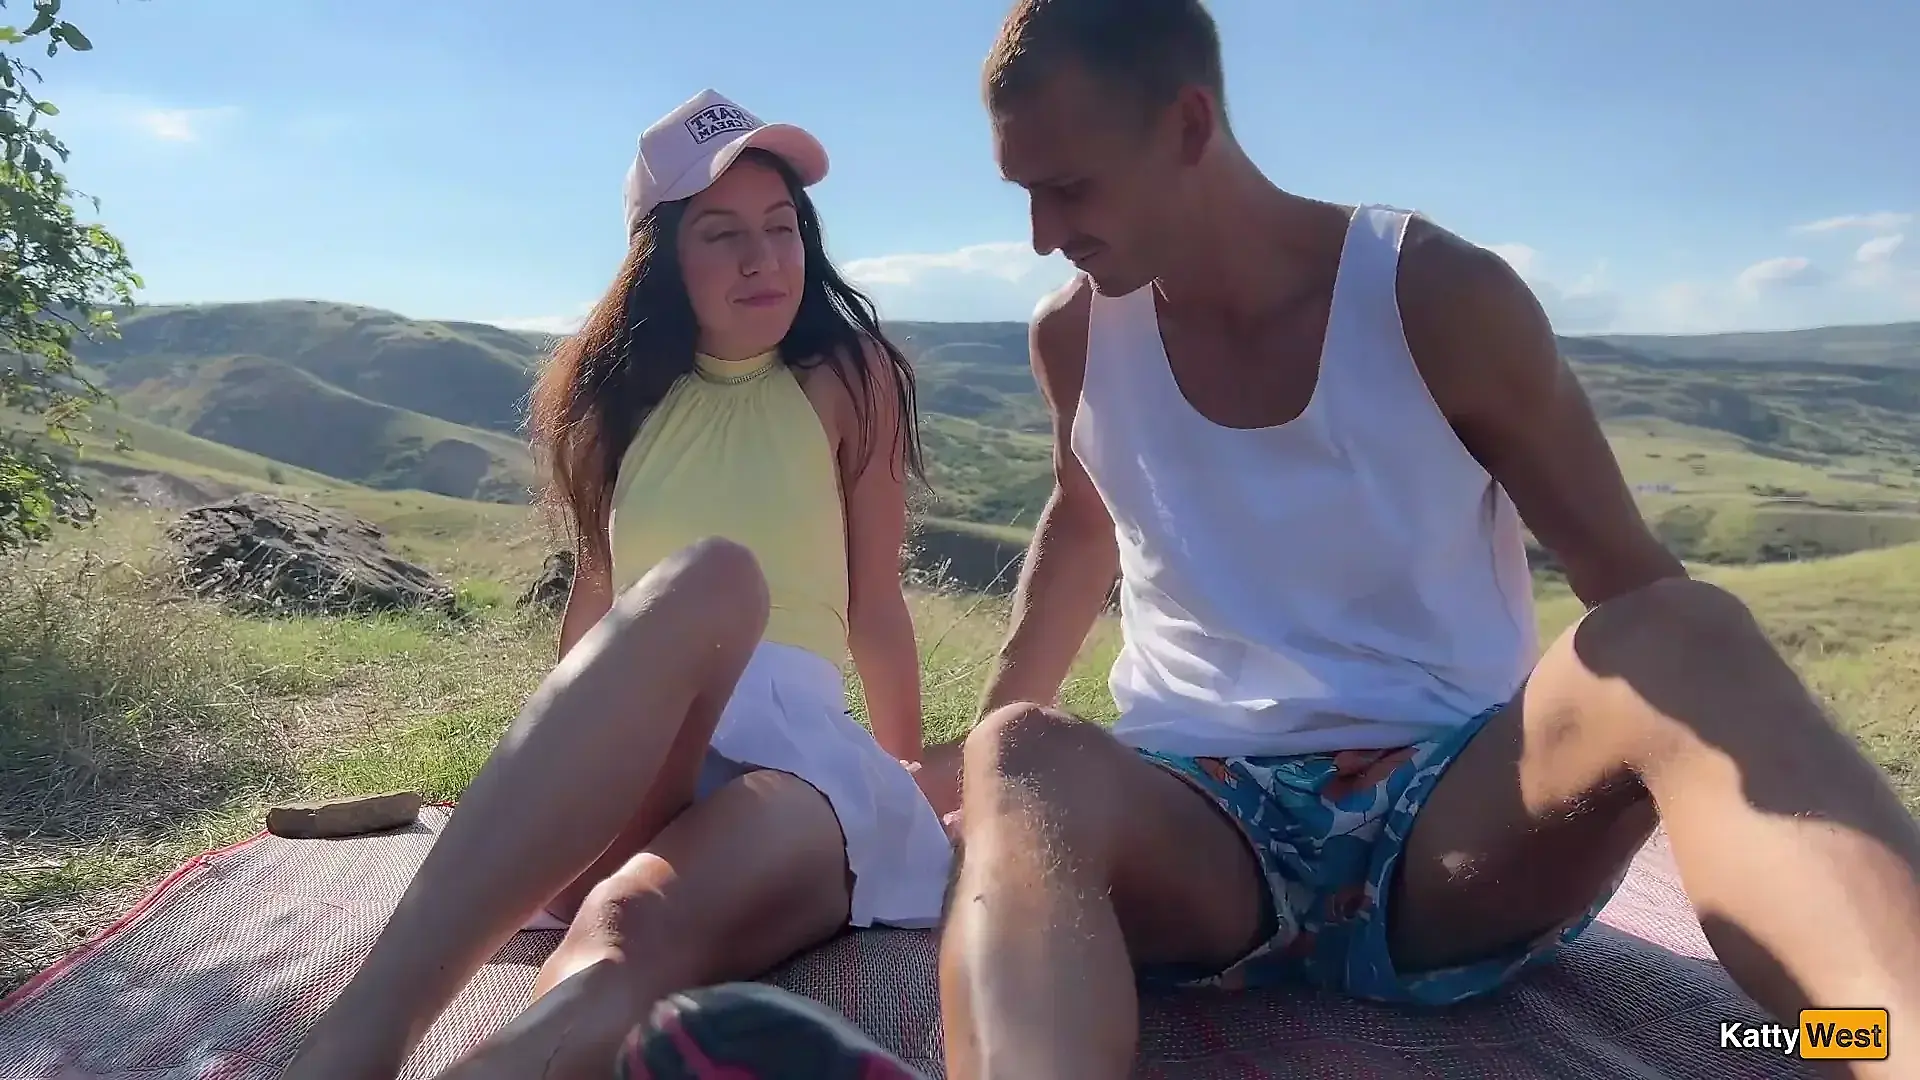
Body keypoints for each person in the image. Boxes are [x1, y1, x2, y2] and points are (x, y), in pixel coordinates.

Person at [608, 2, 1920, 1078]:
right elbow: (1084, 524)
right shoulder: (1078, 335)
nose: (1041, 234)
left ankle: (1881, 1036)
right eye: (1024, 193)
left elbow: (1625, 581)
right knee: (1022, 753)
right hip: (1202, 832)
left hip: (1457, 829)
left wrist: (1700, 764)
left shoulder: (1436, 295)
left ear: (1190, 126)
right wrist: (980, 750)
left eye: (1067, 186)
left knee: (1686, 632)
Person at [277, 88, 956, 1080]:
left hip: (793, 760)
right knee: (707, 580)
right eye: (722, 234)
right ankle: (345, 1053)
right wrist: (548, 772)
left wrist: (898, 770)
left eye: (781, 227)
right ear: (662, 257)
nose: (764, 258)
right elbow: (596, 607)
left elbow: (875, 598)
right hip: (647, 740)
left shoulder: (847, 375)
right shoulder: (613, 401)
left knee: (630, 921)